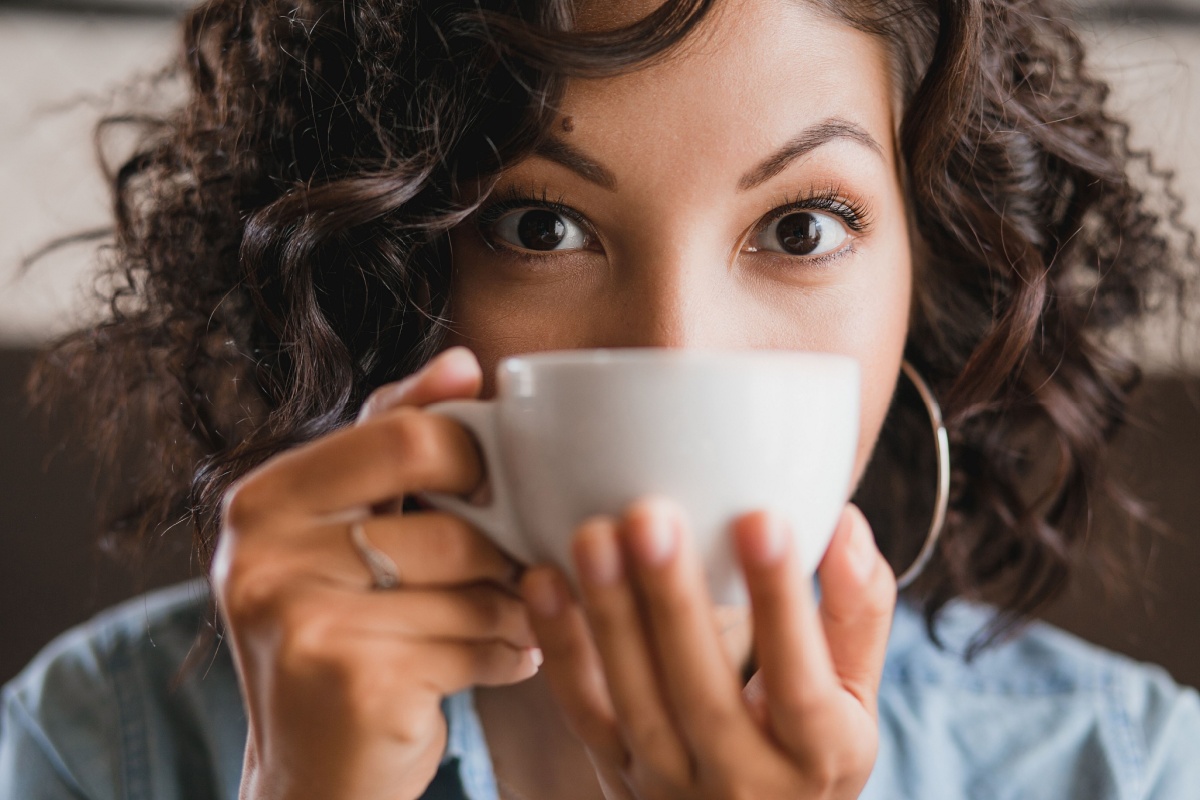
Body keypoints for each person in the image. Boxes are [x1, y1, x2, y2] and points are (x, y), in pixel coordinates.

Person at [3, 0, 1199, 798]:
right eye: (541, 226)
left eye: (800, 227)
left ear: (924, 276)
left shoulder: (1127, 767)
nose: (676, 351)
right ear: (395, 264)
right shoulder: (97, 745)